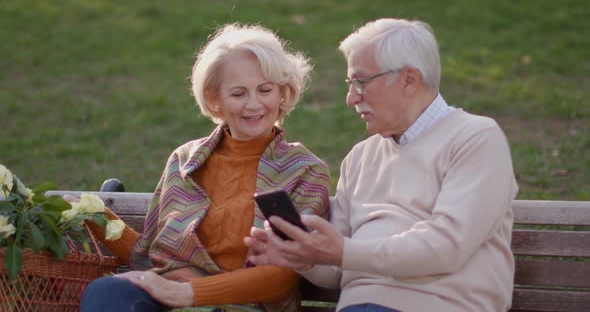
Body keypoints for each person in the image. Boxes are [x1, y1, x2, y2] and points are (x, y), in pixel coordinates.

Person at [245, 18, 519, 312]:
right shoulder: (360, 157)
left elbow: (447, 247)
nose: (351, 98)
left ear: (409, 80)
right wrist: (305, 258)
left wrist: (344, 252)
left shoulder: (476, 138)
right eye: (351, 84)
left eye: (361, 82)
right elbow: (339, 269)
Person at [78, 23, 331, 312]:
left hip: (243, 306)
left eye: (265, 90)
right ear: (214, 98)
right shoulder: (185, 160)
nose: (254, 104)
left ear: (282, 93)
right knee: (107, 292)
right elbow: (151, 255)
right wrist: (96, 216)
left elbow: (283, 276)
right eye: (238, 94)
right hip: (167, 300)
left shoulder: (305, 172)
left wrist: (187, 293)